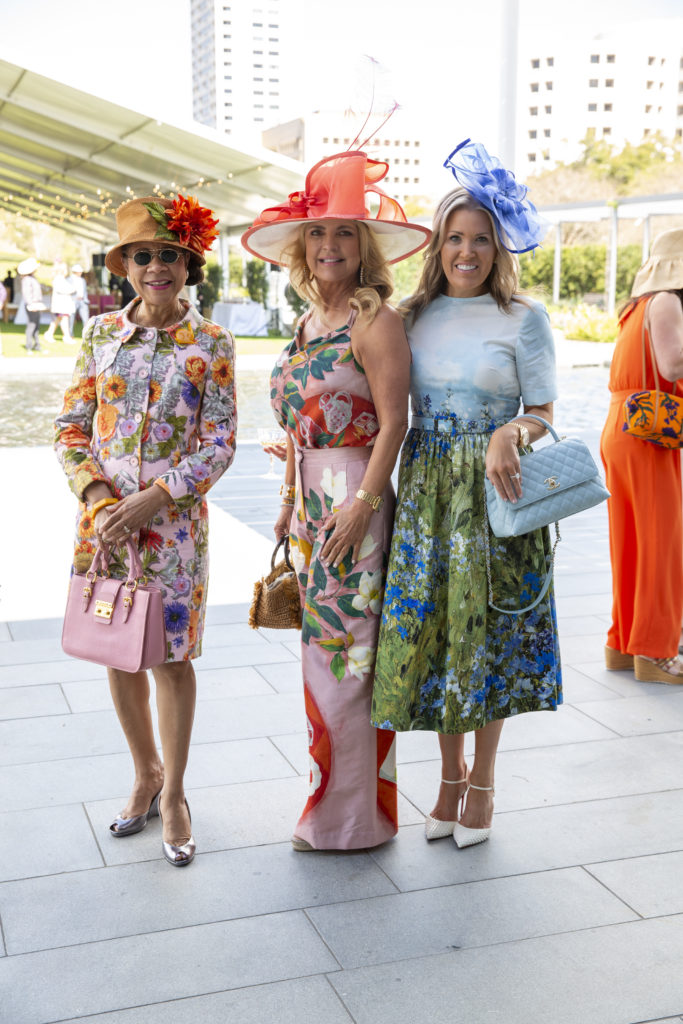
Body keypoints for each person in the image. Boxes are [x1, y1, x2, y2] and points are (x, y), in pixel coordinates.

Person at [371, 139, 561, 849]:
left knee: (489, 639)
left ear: (497, 249)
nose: (466, 251)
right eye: (454, 238)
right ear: (438, 245)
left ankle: (482, 783)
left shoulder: (523, 319)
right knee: (436, 638)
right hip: (425, 498)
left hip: (495, 493)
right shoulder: (411, 316)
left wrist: (511, 432)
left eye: (480, 239)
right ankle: (446, 779)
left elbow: (544, 410)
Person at [242, 150, 430, 851]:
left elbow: (394, 421)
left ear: (363, 248)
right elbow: (297, 428)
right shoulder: (306, 323)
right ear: (301, 248)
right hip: (316, 502)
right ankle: (336, 805)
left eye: (344, 234)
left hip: (356, 494)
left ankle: (354, 819)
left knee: (351, 650)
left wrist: (363, 503)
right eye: (318, 234)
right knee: (322, 651)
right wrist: (291, 498)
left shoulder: (372, 319)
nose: (330, 246)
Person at [54, 193, 236, 866]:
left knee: (170, 658)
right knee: (117, 648)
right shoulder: (101, 335)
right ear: (124, 265)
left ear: (188, 266)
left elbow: (219, 442)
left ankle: (177, 793)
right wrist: (101, 500)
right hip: (102, 528)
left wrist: (157, 497)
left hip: (173, 531)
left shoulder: (211, 343)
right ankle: (144, 773)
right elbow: (71, 427)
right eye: (143, 255)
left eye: (169, 255)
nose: (156, 267)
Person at [600, 229, 683, 683]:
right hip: (652, 429)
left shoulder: (635, 309)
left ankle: (621, 643)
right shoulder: (668, 301)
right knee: (661, 546)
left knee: (629, 541)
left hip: (622, 425)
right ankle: (655, 652)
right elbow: (672, 365)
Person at [17, 257, 45, 353]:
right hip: (32, 304)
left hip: (36, 304)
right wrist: (31, 304)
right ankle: (29, 346)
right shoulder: (27, 279)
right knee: (31, 325)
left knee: (36, 326)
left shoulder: (32, 278)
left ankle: (37, 345)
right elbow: (26, 293)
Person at [45, 261, 75, 343]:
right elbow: (63, 289)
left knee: (57, 320)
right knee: (63, 320)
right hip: (61, 304)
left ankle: (49, 334)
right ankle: (66, 337)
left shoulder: (61, 279)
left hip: (62, 304)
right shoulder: (58, 279)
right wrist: (72, 289)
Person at [69, 264, 90, 333]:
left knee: (86, 319)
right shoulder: (69, 279)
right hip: (73, 301)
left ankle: (86, 334)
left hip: (83, 301)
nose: (81, 273)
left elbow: (85, 291)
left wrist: (85, 299)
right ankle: (70, 334)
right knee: (71, 319)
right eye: (79, 272)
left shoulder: (82, 280)